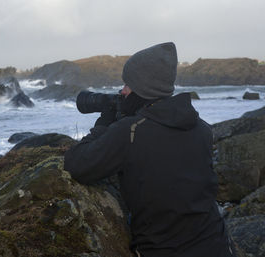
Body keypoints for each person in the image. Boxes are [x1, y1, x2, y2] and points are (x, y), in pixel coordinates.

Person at [64, 42, 236, 257]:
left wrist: (103, 125)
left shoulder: (131, 131)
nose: (122, 91)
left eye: (127, 85)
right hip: (217, 245)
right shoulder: (201, 128)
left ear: (143, 88)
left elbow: (76, 164)